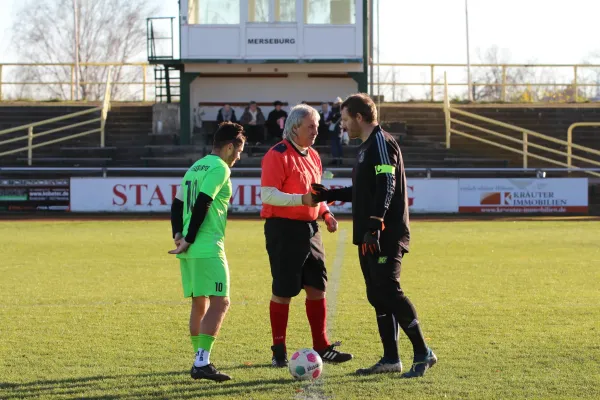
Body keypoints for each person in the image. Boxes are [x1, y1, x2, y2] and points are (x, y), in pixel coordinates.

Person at [311, 93, 437, 378]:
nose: (343, 125)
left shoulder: (380, 142)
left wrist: (375, 225)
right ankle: (391, 358)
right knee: (377, 294)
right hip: (370, 234)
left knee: (389, 290)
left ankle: (423, 352)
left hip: (384, 233)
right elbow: (366, 191)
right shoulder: (366, 147)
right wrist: (330, 194)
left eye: (345, 119)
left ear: (358, 117)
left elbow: (386, 183)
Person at [260, 104, 354, 368]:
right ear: (294, 128)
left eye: (317, 126)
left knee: (317, 287)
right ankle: (278, 349)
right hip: (283, 229)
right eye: (311, 126)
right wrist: (302, 200)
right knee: (284, 290)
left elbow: (316, 195)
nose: (316, 131)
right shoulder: (276, 155)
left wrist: (325, 213)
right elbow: (267, 194)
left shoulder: (313, 155)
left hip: (311, 230)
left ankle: (322, 346)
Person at [169, 122, 247, 382]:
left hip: (190, 250)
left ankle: (198, 360)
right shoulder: (220, 167)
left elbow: (177, 203)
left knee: (199, 302)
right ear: (228, 147)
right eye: (238, 150)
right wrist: (189, 238)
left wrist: (178, 235)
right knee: (221, 301)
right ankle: (202, 361)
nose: (239, 155)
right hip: (206, 246)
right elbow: (204, 201)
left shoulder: (196, 166)